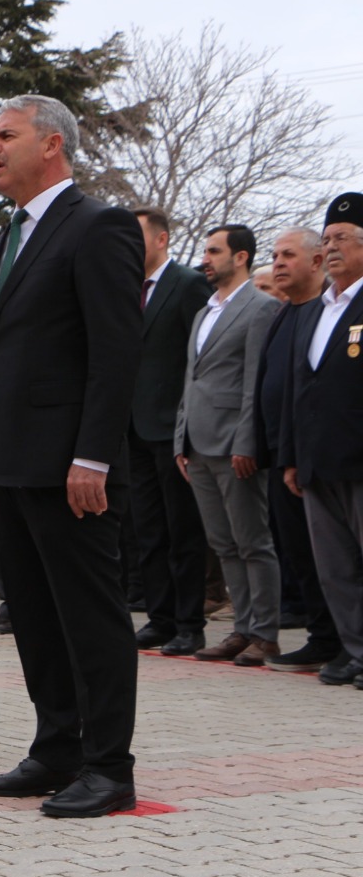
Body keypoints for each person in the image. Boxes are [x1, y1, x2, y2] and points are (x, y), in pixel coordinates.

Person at [0, 94, 144, 818]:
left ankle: (108, 766)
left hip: (71, 467)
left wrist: (93, 457)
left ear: (53, 146)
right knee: (34, 618)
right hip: (9, 465)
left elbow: (114, 352)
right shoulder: (4, 239)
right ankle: (55, 749)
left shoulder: (97, 227)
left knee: (90, 619)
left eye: (5, 134)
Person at [174, 225, 282, 665]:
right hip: (197, 444)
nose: (206, 259)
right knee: (223, 543)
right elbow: (191, 377)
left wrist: (248, 440)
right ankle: (242, 629)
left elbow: (256, 380)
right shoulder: (204, 312)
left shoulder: (261, 308)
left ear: (240, 257)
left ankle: (266, 634)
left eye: (214, 251)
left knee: (253, 541)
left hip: (235, 444)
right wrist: (181, 436)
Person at [280, 193, 363, 687]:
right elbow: (299, 386)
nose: (331, 248)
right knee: (335, 568)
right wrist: (291, 457)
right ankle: (355, 650)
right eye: (327, 239)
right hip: (317, 460)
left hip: (359, 457)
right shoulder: (318, 309)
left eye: (343, 239)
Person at [257, 228, 344, 674]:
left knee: (330, 556)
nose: (278, 263)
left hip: (322, 454)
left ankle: (344, 641)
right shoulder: (283, 314)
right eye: (274, 256)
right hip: (281, 452)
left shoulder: (325, 313)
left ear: (315, 262)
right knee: (299, 552)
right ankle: (323, 636)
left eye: (288, 255)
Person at [128, 207, 213, 657]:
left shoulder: (187, 284)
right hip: (133, 429)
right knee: (149, 529)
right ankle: (159, 618)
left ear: (161, 240)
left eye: (137, 236)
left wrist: (186, 425)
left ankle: (189, 623)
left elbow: (197, 359)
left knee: (183, 531)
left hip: (172, 428)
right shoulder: (125, 288)